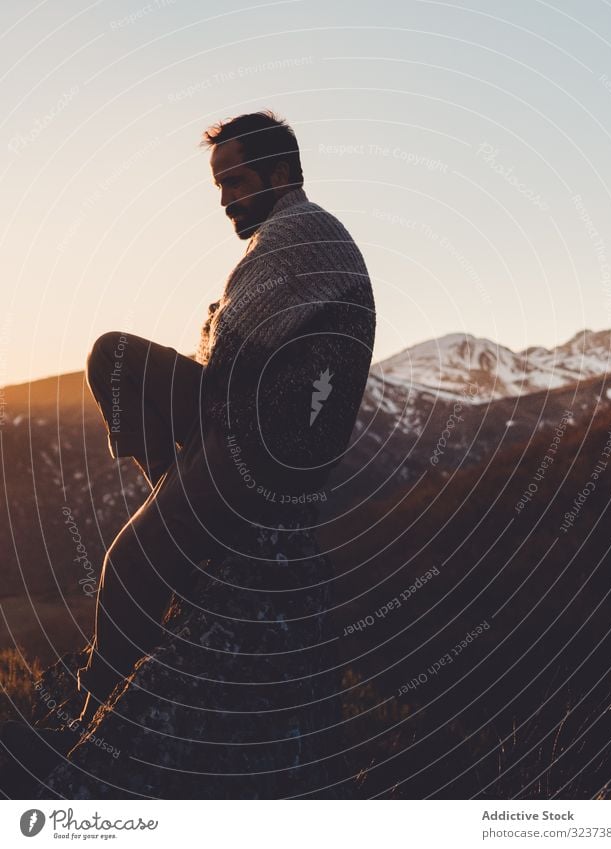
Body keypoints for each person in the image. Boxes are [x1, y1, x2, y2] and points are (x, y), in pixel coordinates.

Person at [0, 110, 376, 778]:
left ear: (282, 172)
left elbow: (226, 348)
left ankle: (94, 711)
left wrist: (212, 333)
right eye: (219, 186)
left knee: (127, 566)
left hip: (258, 455)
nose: (226, 199)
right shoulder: (296, 239)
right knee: (113, 357)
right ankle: (177, 490)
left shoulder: (299, 234)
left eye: (236, 181)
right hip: (248, 435)